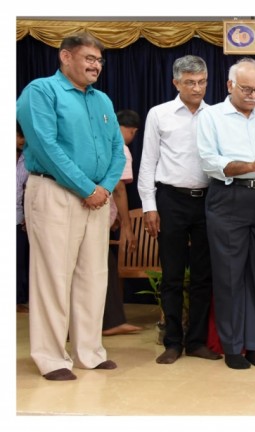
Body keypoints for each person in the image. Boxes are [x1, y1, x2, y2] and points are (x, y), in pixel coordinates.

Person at [16, 32, 126, 380]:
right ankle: (51, 357)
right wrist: (85, 187)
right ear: (65, 57)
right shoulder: (40, 91)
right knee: (53, 277)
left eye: (99, 60)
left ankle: (89, 353)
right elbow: (46, 146)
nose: (95, 66)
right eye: (89, 58)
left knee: (93, 276)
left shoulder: (103, 100)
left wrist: (104, 188)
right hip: (54, 192)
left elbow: (116, 152)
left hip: (96, 198)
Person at [196, 57, 255, 370]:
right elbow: (209, 161)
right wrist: (249, 166)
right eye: (246, 89)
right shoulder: (211, 117)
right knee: (230, 276)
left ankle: (253, 345)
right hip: (228, 198)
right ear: (230, 86)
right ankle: (232, 347)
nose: (252, 96)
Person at [138, 55, 222, 364]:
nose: (197, 88)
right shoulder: (159, 114)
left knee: (203, 276)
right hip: (170, 200)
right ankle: (172, 342)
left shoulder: (215, 116)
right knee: (172, 275)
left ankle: (197, 341)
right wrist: (149, 206)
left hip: (208, 201)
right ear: (176, 83)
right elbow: (148, 162)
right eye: (190, 82)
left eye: (202, 82)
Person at [102, 109, 143, 336]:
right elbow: (118, 188)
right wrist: (127, 227)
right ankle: (111, 322)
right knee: (104, 268)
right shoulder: (121, 149)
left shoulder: (97, 140)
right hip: (97, 218)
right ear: (132, 130)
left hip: (86, 214)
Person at [16, 122, 30, 313]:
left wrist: (27, 215)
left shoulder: (27, 159)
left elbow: (28, 188)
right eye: (19, 136)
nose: (21, 140)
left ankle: (18, 299)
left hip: (18, 216)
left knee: (18, 260)